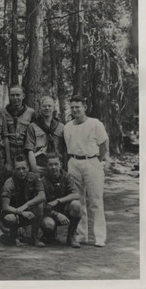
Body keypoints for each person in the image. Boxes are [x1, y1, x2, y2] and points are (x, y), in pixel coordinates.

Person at [64, 95, 109, 247]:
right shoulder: (68, 126)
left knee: (95, 200)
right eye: (72, 107)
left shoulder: (95, 124)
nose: (75, 109)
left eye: (78, 106)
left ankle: (100, 237)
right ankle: (82, 235)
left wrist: (96, 160)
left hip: (91, 161)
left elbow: (104, 145)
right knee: (78, 200)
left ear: (85, 107)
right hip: (74, 163)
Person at [1, 156, 46, 247]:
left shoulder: (34, 177)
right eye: (18, 169)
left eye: (23, 168)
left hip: (28, 211)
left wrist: (26, 205)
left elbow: (42, 196)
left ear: (28, 168)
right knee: (10, 219)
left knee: (39, 205)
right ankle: (13, 236)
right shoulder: (9, 182)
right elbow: (5, 206)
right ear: (14, 170)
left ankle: (34, 237)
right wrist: (20, 212)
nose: (21, 171)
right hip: (14, 213)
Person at [40, 154, 81, 248]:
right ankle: (50, 235)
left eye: (56, 164)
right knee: (48, 225)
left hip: (64, 211)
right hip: (49, 213)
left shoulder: (66, 176)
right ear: (46, 166)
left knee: (76, 205)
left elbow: (76, 194)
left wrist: (58, 201)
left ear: (60, 164)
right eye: (50, 165)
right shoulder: (42, 180)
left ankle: (71, 235)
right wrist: (56, 214)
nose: (53, 167)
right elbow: (40, 206)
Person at [25, 96, 65, 176]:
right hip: (40, 166)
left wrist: (63, 167)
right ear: (40, 108)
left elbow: (64, 149)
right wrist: (34, 170)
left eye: (49, 106)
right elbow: (30, 150)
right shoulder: (33, 126)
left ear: (53, 108)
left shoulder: (61, 127)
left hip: (56, 166)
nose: (47, 108)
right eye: (44, 106)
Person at [3, 85, 34, 163]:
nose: (15, 98)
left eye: (18, 95)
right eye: (12, 95)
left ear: (23, 96)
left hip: (25, 150)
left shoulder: (31, 113)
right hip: (8, 151)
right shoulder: (3, 112)